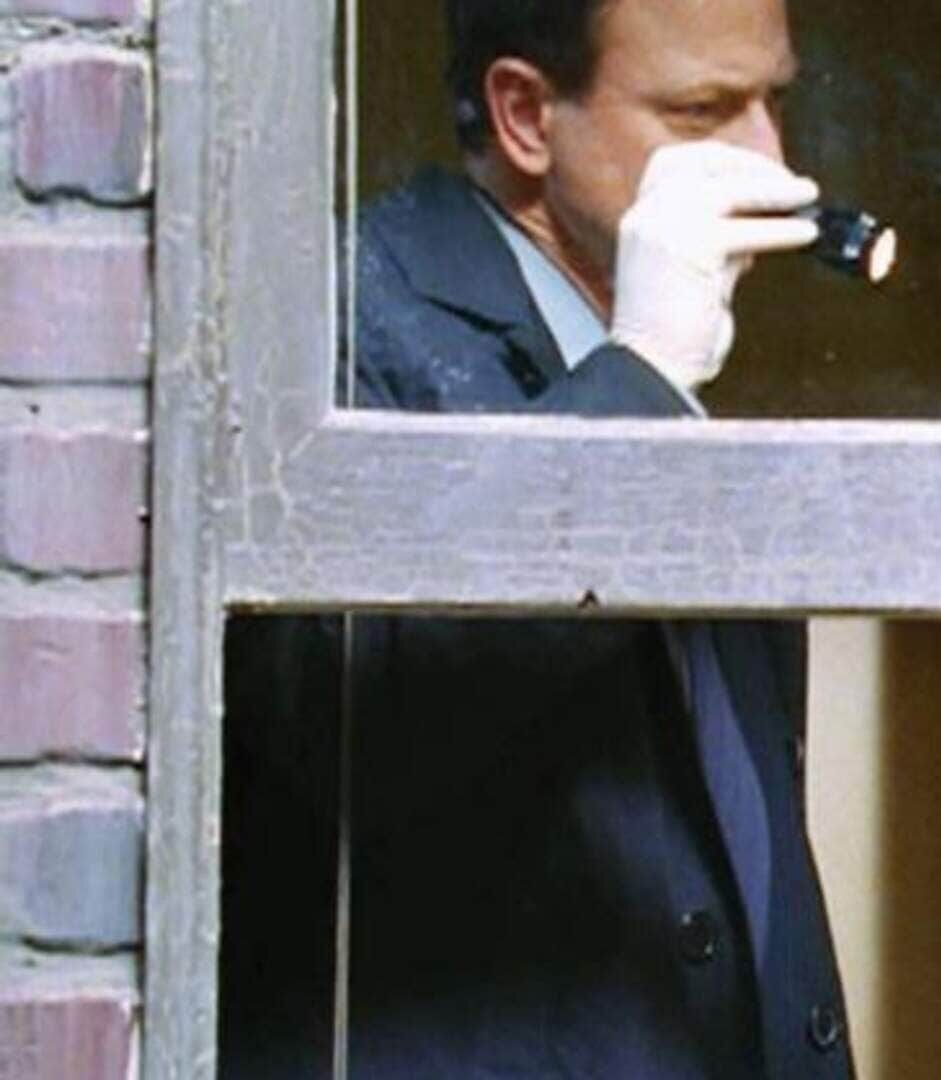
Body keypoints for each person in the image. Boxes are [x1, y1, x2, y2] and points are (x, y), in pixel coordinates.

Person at [219, 1, 853, 1076]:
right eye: (703, 111)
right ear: (523, 115)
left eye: (773, 101)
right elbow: (326, 728)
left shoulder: (690, 332)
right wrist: (640, 382)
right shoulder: (345, 323)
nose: (770, 162)